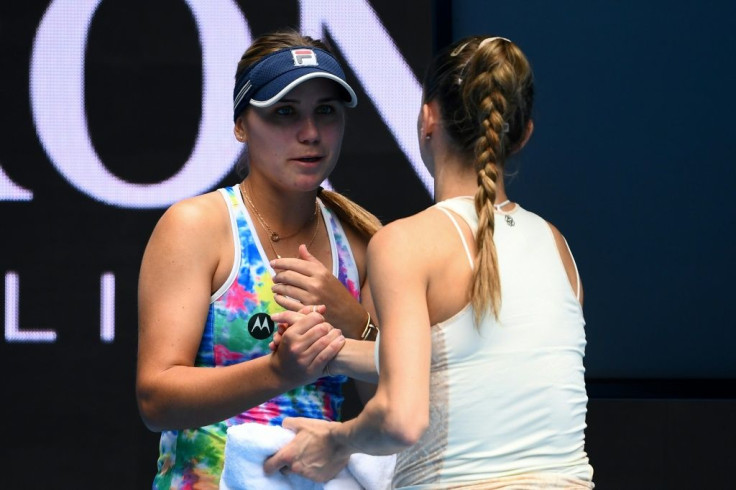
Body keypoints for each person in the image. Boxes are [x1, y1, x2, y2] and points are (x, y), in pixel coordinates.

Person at [264, 35, 595, 488]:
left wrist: (336, 443)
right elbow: (465, 362)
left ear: (427, 119)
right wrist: (333, 357)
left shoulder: (406, 243)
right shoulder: (556, 244)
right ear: (521, 135)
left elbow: (402, 419)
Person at [135, 30, 381, 489]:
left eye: (325, 111)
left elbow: (392, 409)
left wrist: (357, 323)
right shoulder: (195, 226)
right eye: (285, 112)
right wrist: (276, 372)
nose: (310, 133)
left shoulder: (362, 242)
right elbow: (156, 399)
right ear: (241, 125)